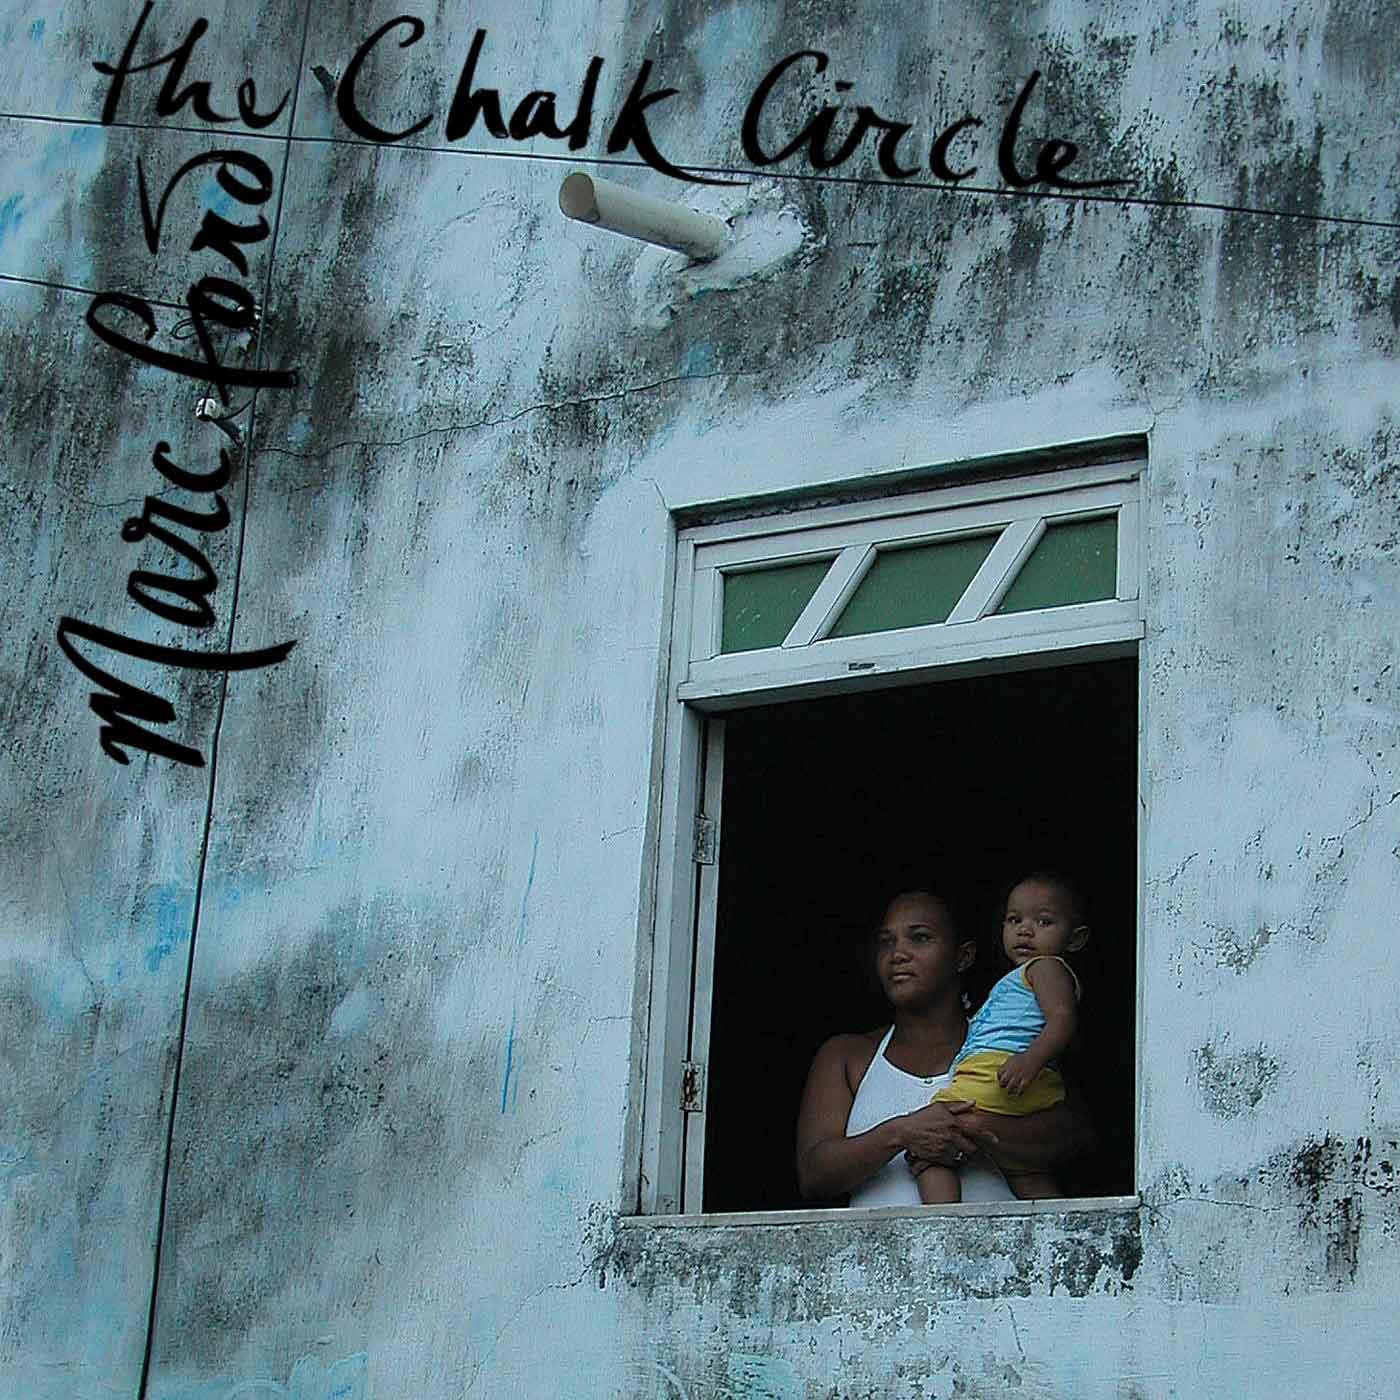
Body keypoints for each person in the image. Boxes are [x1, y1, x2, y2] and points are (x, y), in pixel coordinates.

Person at [794, 888, 1092, 1208]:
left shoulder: (1008, 1042)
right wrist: (902, 1133)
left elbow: (1075, 1138)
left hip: (1000, 1242)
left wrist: (973, 1128)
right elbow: (814, 1175)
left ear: (963, 957)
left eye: (919, 938)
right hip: (879, 1244)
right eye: (886, 942)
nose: (898, 954)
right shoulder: (847, 1055)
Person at [915, 873, 1090, 1203]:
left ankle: (942, 1222)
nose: (1025, 930)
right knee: (1027, 1173)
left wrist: (1030, 1059)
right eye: (1014, 920)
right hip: (1017, 1081)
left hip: (1001, 1076)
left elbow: (1063, 1017)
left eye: (1044, 921)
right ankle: (1060, 1224)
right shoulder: (1020, 977)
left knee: (930, 1146)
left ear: (1075, 939)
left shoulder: (1046, 967)